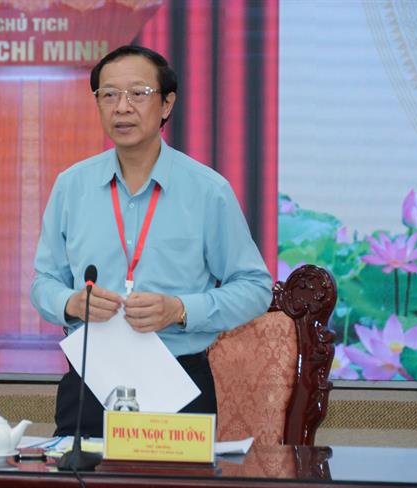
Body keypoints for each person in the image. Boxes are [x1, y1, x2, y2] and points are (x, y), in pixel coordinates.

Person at [30, 45, 272, 438]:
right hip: (91, 382)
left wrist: (180, 309)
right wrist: (71, 303)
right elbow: (44, 283)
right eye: (109, 95)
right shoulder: (71, 186)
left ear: (166, 104)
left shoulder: (208, 191)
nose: (122, 107)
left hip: (177, 382)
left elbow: (255, 288)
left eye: (138, 93)